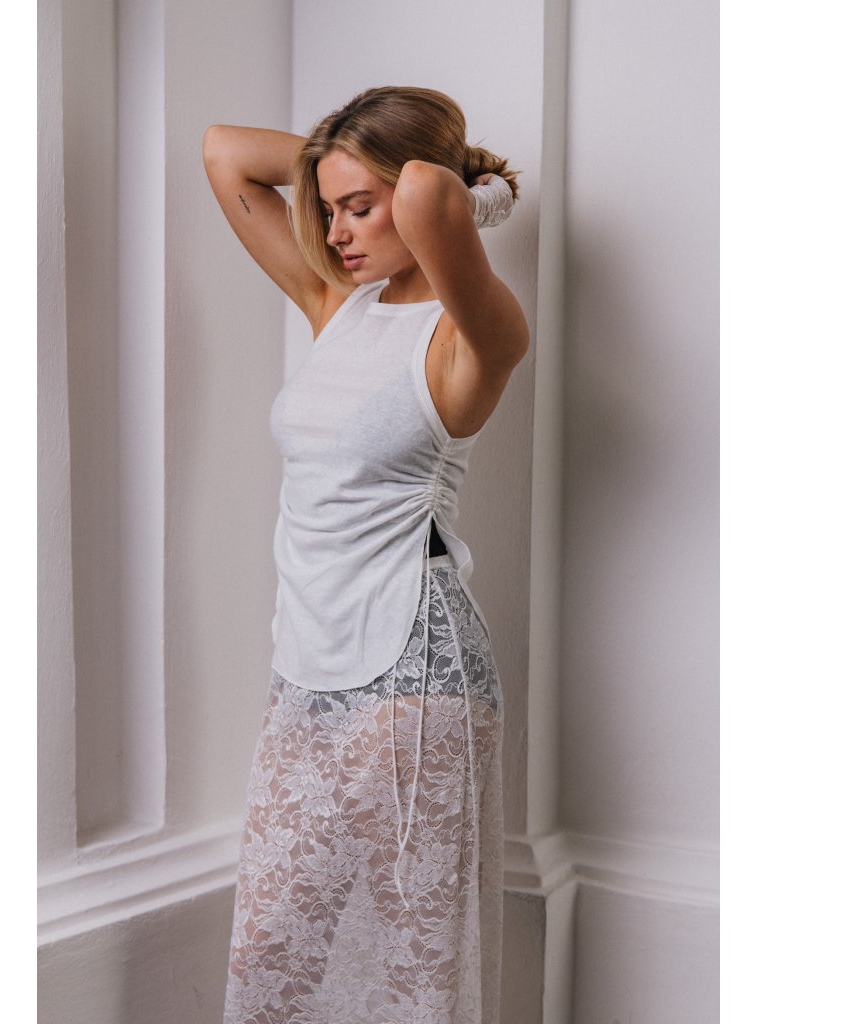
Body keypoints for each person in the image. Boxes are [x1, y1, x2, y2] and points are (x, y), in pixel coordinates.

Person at [203, 85, 528, 1024]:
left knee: (414, 969)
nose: (335, 232)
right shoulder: (337, 306)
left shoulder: (474, 336)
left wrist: (465, 188)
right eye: (326, 207)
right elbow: (225, 151)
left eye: (359, 207)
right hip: (304, 670)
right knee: (272, 950)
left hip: (414, 675)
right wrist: (336, 157)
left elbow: (427, 188)